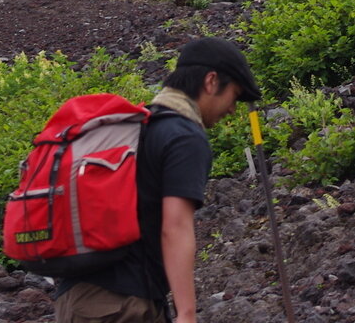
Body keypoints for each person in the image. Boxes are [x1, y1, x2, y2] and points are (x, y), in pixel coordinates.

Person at [53, 37, 259, 323]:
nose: (233, 109)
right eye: (234, 96)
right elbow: (174, 228)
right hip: (121, 306)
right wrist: (187, 313)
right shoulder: (185, 136)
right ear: (211, 81)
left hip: (75, 301)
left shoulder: (138, 128)